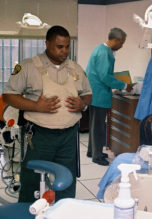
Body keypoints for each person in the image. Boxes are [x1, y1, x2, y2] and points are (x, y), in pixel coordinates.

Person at [2, 25, 92, 202]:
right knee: (32, 180)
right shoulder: (27, 67)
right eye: (59, 46)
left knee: (67, 179)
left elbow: (88, 94)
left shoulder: (76, 69)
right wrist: (36, 106)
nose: (64, 51)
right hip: (39, 136)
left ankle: (63, 210)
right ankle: (27, 211)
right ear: (47, 43)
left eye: (67, 46)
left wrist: (83, 103)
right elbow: (8, 96)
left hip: (69, 135)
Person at [86, 27, 133, 166]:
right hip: (98, 94)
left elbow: (104, 73)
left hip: (95, 93)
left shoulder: (101, 49)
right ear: (116, 40)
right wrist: (124, 85)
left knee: (94, 126)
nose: (122, 46)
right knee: (99, 127)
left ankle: (91, 151)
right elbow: (105, 76)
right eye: (122, 43)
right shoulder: (104, 53)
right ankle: (97, 156)